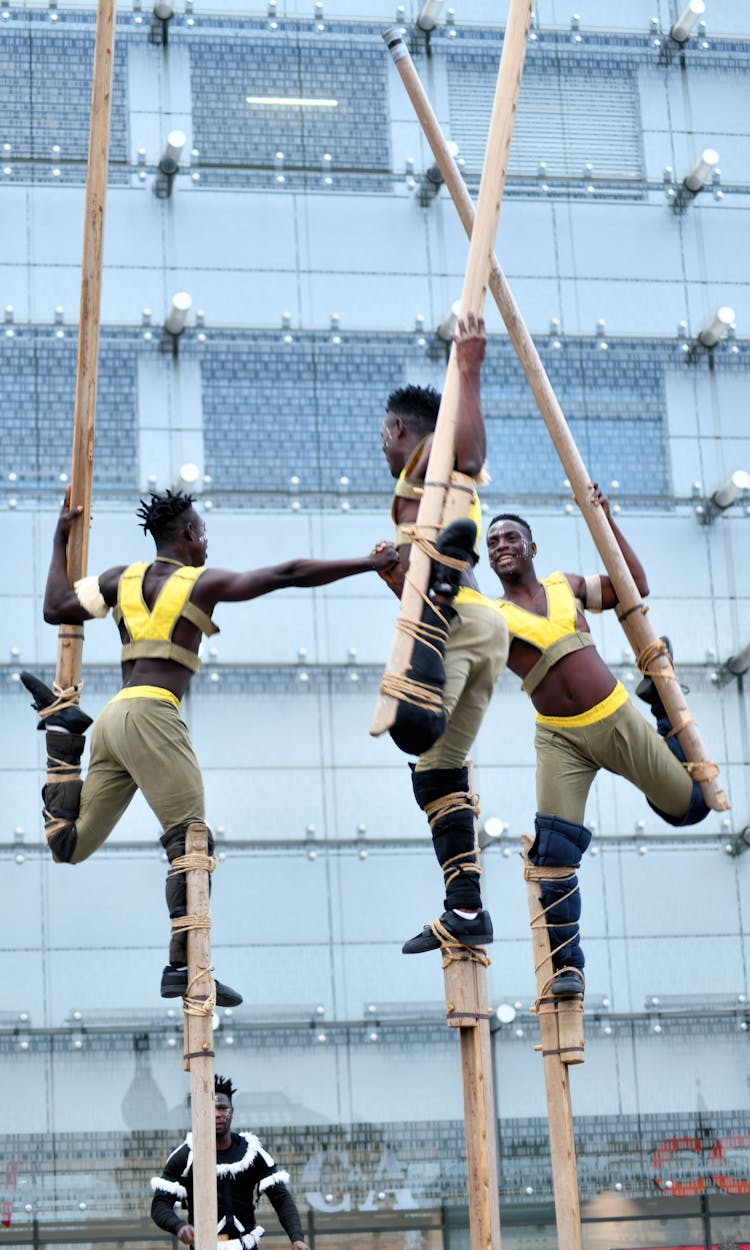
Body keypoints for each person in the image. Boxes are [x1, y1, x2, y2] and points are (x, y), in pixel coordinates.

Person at [22, 488, 398, 1005]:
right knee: (191, 842)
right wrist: (367, 562)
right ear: (188, 535)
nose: (206, 544)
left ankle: (64, 737)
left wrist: (60, 540)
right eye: (204, 534)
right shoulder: (200, 583)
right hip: (154, 715)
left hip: (114, 719)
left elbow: (55, 606)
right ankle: (184, 967)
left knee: (69, 846)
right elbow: (287, 573)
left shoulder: (119, 579)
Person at [486, 489, 709, 997]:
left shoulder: (564, 586)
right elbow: (444, 608)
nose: (502, 544)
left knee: (690, 807)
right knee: (553, 853)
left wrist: (604, 519)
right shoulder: (490, 615)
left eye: (511, 536)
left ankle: (659, 703)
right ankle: (568, 968)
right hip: (559, 740)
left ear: (531, 548)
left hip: (615, 717)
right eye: (493, 539)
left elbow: (635, 588)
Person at [376, 313, 509, 955]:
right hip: (480, 626)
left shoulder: (429, 462)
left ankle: (447, 575)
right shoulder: (415, 492)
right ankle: (466, 908)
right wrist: (393, 573)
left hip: (459, 618)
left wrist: (469, 368)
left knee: (412, 730)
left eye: (384, 435)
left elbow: (474, 453)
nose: (383, 446)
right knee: (437, 773)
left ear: (398, 428)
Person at [150, 1073, 309, 1250]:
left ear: (232, 1111)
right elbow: (159, 1205)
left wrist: (297, 1237)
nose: (217, 1114)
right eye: (211, 1108)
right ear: (199, 1111)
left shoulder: (252, 1151)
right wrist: (179, 1226)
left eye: (223, 1108)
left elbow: (281, 1198)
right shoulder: (186, 1155)